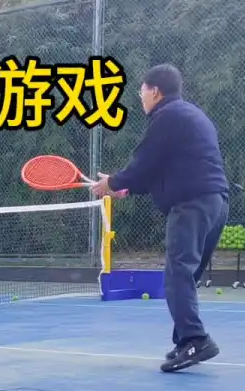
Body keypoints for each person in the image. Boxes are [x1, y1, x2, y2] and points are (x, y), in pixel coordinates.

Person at [91, 64, 230, 373]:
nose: (140, 96)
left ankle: (196, 339)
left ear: (155, 91)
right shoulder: (192, 115)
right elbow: (164, 169)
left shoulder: (166, 117)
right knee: (186, 276)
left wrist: (111, 182)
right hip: (216, 203)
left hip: (191, 205)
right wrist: (125, 188)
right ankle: (185, 342)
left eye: (141, 91)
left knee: (177, 274)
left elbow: (145, 163)